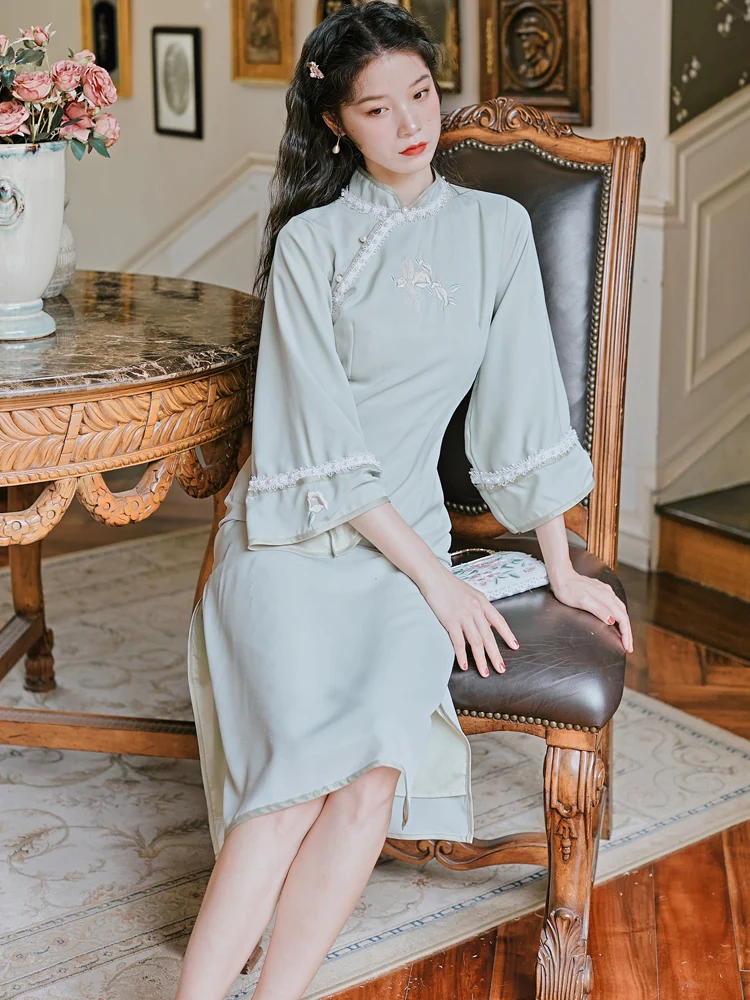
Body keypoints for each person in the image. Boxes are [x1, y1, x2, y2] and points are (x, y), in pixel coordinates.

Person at [177, 3, 633, 998]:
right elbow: (319, 450)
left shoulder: (496, 230)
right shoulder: (310, 245)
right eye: (377, 109)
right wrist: (442, 583)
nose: (411, 123)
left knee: (372, 774)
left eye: (420, 95)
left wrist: (560, 565)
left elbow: (522, 408)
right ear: (336, 122)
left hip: (403, 549)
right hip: (292, 535)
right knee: (293, 782)